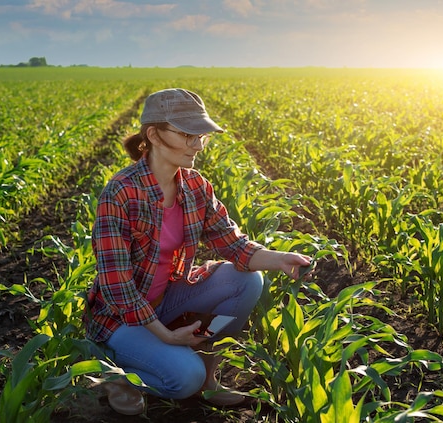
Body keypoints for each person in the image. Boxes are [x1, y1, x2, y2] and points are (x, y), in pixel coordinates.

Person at [84, 88, 312, 415]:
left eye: (201, 136)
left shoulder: (195, 186)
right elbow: (117, 287)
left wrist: (280, 259)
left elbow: (233, 245)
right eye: (187, 135)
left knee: (246, 281)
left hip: (167, 302)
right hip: (121, 319)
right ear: (154, 135)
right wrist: (167, 336)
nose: (198, 145)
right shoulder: (120, 193)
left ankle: (209, 381)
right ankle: (118, 376)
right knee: (182, 380)